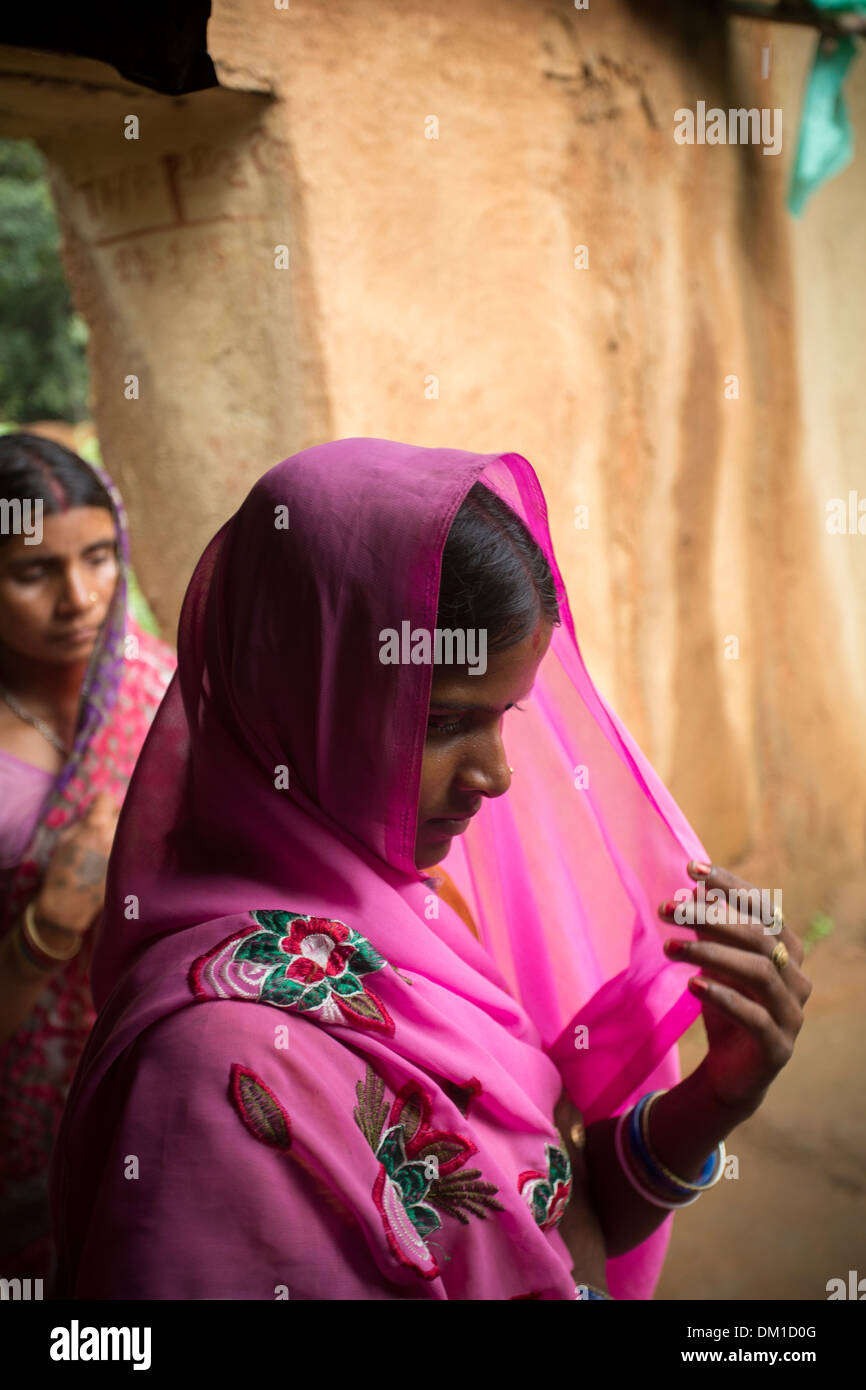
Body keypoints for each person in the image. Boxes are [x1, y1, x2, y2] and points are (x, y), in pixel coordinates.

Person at [49, 439, 809, 1299]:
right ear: (306, 695)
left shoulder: (422, 913)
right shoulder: (216, 1073)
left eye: (504, 715)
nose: (497, 775)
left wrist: (719, 1095)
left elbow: (549, 1224)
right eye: (444, 721)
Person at [0, 433, 175, 1283]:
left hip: (158, 1096)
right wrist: (47, 927)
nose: (79, 597)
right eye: (33, 573)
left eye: (101, 559)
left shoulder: (168, 696)